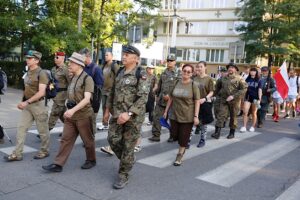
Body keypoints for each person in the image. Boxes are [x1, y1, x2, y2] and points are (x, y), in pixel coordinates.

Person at [103, 45, 149, 189]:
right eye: (123, 54)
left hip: (133, 117)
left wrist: (129, 114)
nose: (124, 57)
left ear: (135, 59)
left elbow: (143, 98)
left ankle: (123, 174)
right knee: (112, 139)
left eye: (127, 55)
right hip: (117, 114)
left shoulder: (141, 74)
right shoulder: (120, 72)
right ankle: (128, 160)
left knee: (129, 146)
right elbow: (112, 92)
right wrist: (107, 110)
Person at [42, 52, 96, 172]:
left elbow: (87, 99)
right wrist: (68, 107)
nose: (69, 64)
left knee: (88, 141)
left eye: (72, 62)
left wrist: (72, 110)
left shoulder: (88, 79)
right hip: (71, 115)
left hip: (84, 115)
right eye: (69, 62)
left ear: (79, 64)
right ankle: (58, 164)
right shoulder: (72, 78)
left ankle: (91, 160)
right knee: (65, 139)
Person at [4, 50, 50, 161]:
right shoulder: (28, 71)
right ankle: (17, 153)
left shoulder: (41, 73)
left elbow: (41, 92)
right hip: (28, 105)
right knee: (21, 128)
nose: (27, 60)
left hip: (39, 105)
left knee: (42, 130)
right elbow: (27, 89)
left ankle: (44, 151)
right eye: (27, 58)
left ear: (37, 60)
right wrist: (23, 101)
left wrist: (26, 102)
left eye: (30, 58)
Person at [163, 64, 200, 166]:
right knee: (174, 135)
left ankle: (180, 154)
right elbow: (171, 97)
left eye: (189, 72)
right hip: (174, 114)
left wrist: (196, 116)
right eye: (184, 71)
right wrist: (166, 111)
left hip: (187, 116)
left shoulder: (193, 85)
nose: (186, 73)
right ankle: (182, 144)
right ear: (182, 71)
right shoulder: (176, 82)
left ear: (192, 74)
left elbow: (197, 101)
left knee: (183, 137)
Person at [148, 55, 181, 142]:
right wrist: (156, 93)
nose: (169, 62)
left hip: (173, 101)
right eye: (168, 60)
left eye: (171, 60)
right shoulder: (164, 72)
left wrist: (171, 96)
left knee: (172, 120)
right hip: (161, 100)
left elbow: (180, 87)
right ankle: (156, 135)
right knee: (156, 117)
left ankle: (172, 136)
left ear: (174, 62)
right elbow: (160, 85)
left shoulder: (179, 73)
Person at [212, 62, 248, 139]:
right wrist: (212, 96)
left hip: (234, 101)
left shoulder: (239, 78)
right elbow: (217, 88)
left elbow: (244, 89)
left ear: (235, 70)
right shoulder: (223, 78)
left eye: (232, 67)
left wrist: (233, 96)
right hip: (223, 100)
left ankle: (232, 132)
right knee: (220, 115)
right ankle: (217, 132)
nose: (230, 69)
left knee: (233, 117)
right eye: (229, 67)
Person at [79, 48, 104, 133]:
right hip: (83, 98)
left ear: (88, 56)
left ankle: (91, 137)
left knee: (91, 120)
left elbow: (99, 87)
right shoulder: (83, 67)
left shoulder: (96, 69)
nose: (80, 59)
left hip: (92, 100)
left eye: (82, 57)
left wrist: (95, 103)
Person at [48, 52, 70, 134]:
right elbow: (51, 81)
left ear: (62, 58)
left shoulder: (66, 69)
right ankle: (71, 128)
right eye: (54, 57)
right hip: (54, 93)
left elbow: (70, 82)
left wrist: (70, 96)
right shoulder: (53, 69)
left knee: (55, 111)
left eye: (57, 57)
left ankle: (47, 130)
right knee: (62, 113)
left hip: (62, 95)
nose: (55, 59)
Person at [193, 61, 214, 147]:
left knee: (204, 123)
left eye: (201, 66)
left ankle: (202, 139)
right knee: (192, 121)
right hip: (195, 102)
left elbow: (212, 92)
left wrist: (205, 98)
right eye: (198, 67)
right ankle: (187, 141)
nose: (199, 68)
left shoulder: (209, 79)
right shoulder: (194, 78)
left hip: (204, 102)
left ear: (205, 67)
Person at [98, 52, 119, 130]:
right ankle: (105, 124)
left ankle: (117, 121)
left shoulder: (114, 65)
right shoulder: (104, 65)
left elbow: (119, 77)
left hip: (111, 90)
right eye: (105, 55)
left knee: (110, 107)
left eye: (107, 55)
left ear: (112, 56)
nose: (105, 56)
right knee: (104, 107)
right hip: (104, 90)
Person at [240, 67, 262, 132]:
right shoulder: (247, 79)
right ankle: (244, 126)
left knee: (254, 112)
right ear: (250, 72)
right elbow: (244, 89)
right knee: (245, 112)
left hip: (255, 98)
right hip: (248, 97)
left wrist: (259, 99)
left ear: (256, 72)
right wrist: (243, 98)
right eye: (251, 71)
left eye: (254, 71)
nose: (252, 72)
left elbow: (260, 89)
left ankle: (253, 126)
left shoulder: (259, 80)